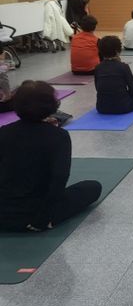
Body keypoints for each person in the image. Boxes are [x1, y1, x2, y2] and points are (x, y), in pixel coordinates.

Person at [0, 81, 102, 232]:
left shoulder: (4, 132)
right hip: (33, 215)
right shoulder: (59, 136)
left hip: (3, 214)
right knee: (93, 187)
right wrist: (42, 219)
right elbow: (59, 179)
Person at [95, 36, 133, 114]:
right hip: (123, 107)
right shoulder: (123, 67)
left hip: (101, 108)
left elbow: (97, 88)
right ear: (118, 51)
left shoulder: (98, 67)